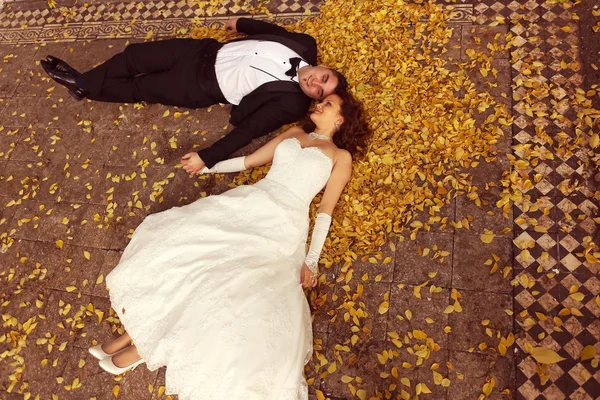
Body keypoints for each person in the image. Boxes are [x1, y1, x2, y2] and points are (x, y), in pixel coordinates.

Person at [86, 91, 371, 399]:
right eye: (321, 100)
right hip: (251, 203)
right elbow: (250, 161)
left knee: (223, 282)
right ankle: (132, 339)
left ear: (340, 119)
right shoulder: (294, 133)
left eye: (328, 104)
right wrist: (207, 166)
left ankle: (139, 348)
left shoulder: (340, 157)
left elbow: (326, 210)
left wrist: (311, 260)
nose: (319, 105)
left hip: (282, 224)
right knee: (192, 260)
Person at [40, 17, 348, 173]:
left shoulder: (291, 102)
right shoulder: (306, 43)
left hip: (200, 85)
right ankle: (82, 83)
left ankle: (83, 84)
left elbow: (250, 130)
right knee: (133, 57)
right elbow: (275, 31)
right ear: (326, 67)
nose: (315, 84)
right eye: (324, 78)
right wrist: (242, 24)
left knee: (139, 87)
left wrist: (208, 156)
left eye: (321, 91)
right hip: (202, 50)